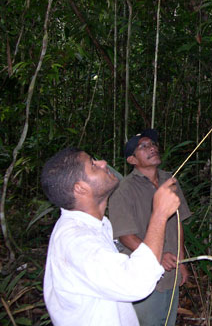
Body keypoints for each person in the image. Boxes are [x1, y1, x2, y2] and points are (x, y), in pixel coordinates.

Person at [42, 147, 180, 326]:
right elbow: (136, 283)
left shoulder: (97, 225)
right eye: (93, 165)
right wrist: (160, 214)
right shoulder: (76, 241)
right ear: (81, 188)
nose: (103, 163)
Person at [108, 129, 191, 326]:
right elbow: (125, 235)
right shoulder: (123, 190)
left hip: (171, 272)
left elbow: (177, 221)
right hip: (144, 277)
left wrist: (181, 259)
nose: (152, 148)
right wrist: (156, 256)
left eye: (152, 144)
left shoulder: (169, 180)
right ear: (132, 160)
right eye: (143, 147)